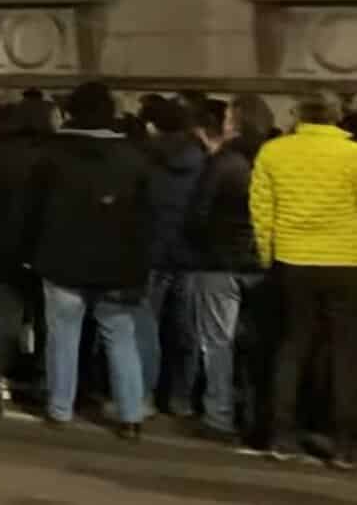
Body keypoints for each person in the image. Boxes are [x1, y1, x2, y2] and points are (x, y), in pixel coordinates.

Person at [27, 81, 154, 440]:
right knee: (120, 336)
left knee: (63, 336)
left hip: (61, 261)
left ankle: (60, 407)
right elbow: (146, 221)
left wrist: (28, 254)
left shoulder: (52, 156)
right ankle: (131, 414)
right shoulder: (134, 159)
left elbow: (32, 211)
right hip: (117, 266)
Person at [251, 97, 357, 465]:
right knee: (345, 352)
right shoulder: (352, 154)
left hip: (292, 259)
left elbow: (261, 210)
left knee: (292, 345)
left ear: (297, 115)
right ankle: (344, 444)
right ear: (336, 116)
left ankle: (281, 435)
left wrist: (267, 255)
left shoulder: (274, 152)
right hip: (346, 261)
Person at [181, 98, 264, 444]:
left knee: (217, 342)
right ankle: (255, 413)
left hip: (219, 261)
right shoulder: (267, 157)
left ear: (235, 122)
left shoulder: (223, 162)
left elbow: (198, 213)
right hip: (259, 262)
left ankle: (219, 414)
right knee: (254, 344)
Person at [0, 97, 54, 390]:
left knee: (7, 314)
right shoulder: (53, 156)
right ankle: (42, 374)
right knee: (45, 317)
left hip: (4, 243)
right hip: (44, 246)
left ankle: (2, 374)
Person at [139, 95, 208, 416]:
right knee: (185, 329)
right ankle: (181, 396)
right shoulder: (203, 159)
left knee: (146, 327)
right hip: (190, 253)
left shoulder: (146, 157)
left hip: (152, 251)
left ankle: (144, 393)